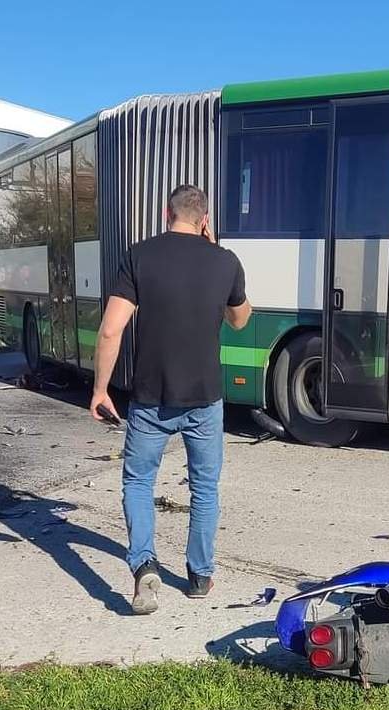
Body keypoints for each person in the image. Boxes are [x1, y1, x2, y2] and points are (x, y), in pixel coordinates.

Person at [90, 185, 252, 614]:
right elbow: (240, 320)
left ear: (167, 213)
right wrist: (216, 255)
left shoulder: (140, 255)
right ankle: (199, 575)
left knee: (139, 482)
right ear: (204, 220)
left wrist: (100, 389)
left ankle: (144, 566)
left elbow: (111, 330)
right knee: (204, 487)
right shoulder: (225, 262)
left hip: (149, 399)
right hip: (205, 399)